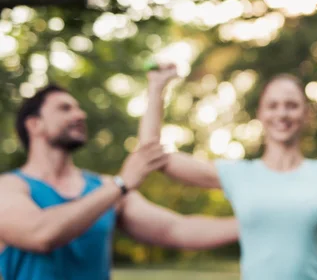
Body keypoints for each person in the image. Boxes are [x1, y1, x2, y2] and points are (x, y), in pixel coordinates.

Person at [0, 84, 238, 280]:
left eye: (79, 109)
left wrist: (253, 221)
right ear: (34, 125)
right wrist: (121, 184)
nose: (80, 115)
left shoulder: (101, 188)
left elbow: (177, 229)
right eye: (65, 109)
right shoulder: (9, 187)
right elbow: (41, 234)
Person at [138, 66, 317, 280]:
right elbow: (151, 154)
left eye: (292, 105)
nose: (282, 113)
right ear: (260, 113)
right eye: (272, 105)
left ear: (307, 113)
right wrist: (156, 87)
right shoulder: (238, 174)